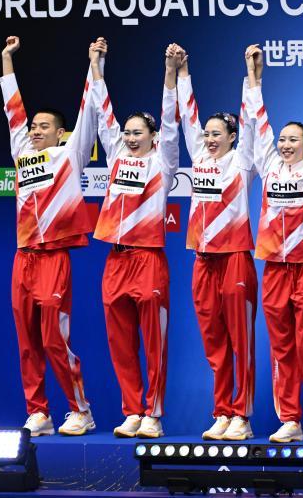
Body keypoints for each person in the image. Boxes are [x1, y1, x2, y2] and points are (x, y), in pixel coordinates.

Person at [0, 36, 97, 436]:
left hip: (54, 258)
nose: (35, 130)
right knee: (27, 342)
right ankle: (38, 412)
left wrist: (95, 64)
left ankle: (80, 410)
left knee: (55, 339)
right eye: (34, 126)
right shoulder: (23, 155)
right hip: (23, 258)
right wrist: (7, 61)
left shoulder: (70, 153)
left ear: (61, 133)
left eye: (44, 126)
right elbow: (13, 111)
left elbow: (88, 112)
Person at [243, 45, 303, 443]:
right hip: (274, 269)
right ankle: (290, 419)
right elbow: (257, 124)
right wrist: (254, 79)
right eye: (282, 139)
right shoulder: (268, 167)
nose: (284, 144)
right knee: (281, 347)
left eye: (293, 140)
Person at [91, 42, 179, 438]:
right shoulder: (115, 156)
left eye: (137, 132)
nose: (128, 137)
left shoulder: (163, 161)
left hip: (148, 260)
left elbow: (171, 122)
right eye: (126, 132)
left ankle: (152, 415)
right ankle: (131, 410)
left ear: (153, 137)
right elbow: (102, 112)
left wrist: (169, 73)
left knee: (153, 342)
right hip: (116, 260)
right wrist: (97, 64)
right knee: (120, 342)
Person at [175, 45, 259, 441]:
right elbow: (187, 115)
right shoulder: (199, 158)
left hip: (235, 259)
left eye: (216, 134)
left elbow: (251, 120)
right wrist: (183, 72)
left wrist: (251, 77)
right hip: (202, 261)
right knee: (214, 342)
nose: (209, 138)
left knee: (240, 342)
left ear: (232, 138)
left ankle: (242, 416)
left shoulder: (241, 161)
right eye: (206, 134)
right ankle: (222, 411)